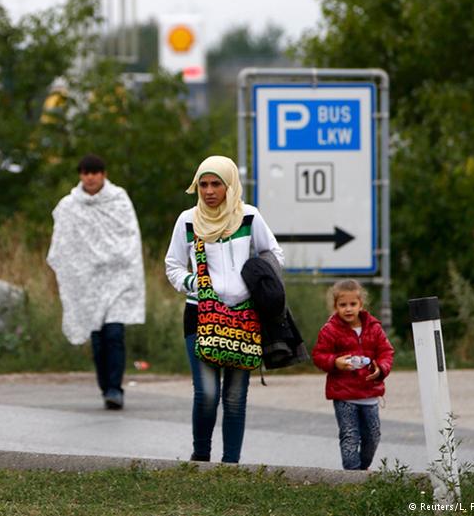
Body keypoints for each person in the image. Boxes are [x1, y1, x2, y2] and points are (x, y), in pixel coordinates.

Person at [164, 155, 283, 463]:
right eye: (202, 184)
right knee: (206, 393)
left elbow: (273, 253)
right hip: (200, 316)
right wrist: (194, 282)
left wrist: (258, 278)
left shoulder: (249, 217)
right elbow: (173, 266)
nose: (209, 191)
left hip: (244, 317)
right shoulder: (188, 220)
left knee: (234, 397)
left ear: (229, 185)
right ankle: (201, 458)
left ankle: (231, 465)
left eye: (216, 183)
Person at [46, 154, 145, 410]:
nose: (90, 177)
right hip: (87, 282)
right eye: (86, 172)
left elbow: (130, 237)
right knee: (98, 338)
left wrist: (114, 260)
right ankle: (106, 388)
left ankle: (115, 388)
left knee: (114, 333)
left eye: (95, 172)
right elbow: (62, 244)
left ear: (103, 174)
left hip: (116, 278)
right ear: (80, 175)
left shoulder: (119, 200)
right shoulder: (69, 205)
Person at [312, 279, 394, 470]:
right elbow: (319, 355)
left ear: (360, 305)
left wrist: (380, 368)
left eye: (352, 304)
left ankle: (362, 470)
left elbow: (386, 352)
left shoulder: (374, 328)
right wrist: (335, 362)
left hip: (370, 394)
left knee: (373, 436)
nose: (348, 309)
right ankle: (352, 476)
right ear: (335, 306)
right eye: (343, 305)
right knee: (350, 435)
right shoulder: (330, 330)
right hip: (344, 395)